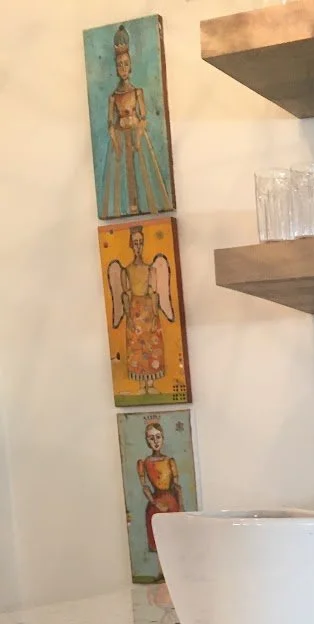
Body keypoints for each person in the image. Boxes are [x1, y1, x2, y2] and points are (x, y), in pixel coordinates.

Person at [104, 24, 171, 217]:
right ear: (116, 68)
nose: (123, 68)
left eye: (126, 64)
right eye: (120, 65)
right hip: (120, 139)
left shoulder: (137, 92)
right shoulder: (113, 97)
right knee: (124, 176)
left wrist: (139, 134)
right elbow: (110, 122)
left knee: (142, 174)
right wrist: (115, 139)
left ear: (130, 65)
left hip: (137, 138)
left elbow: (143, 117)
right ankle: (130, 207)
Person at [108, 226, 173, 396]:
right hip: (134, 312)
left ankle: (151, 383)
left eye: (140, 242)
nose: (138, 246)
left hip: (148, 311)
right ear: (131, 245)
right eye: (135, 243)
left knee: (152, 346)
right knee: (136, 348)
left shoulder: (150, 269)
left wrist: (155, 314)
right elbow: (125, 294)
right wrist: (128, 315)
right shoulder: (126, 271)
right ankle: (141, 385)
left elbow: (153, 292)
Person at [137, 420, 184, 553]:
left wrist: (181, 507)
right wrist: (155, 503)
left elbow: (177, 487)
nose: (155, 441)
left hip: (172, 503)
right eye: (151, 438)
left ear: (162, 438)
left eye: (158, 437)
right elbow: (145, 487)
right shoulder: (144, 463)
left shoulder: (170, 461)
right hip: (155, 504)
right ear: (147, 441)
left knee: (174, 542)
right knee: (159, 544)